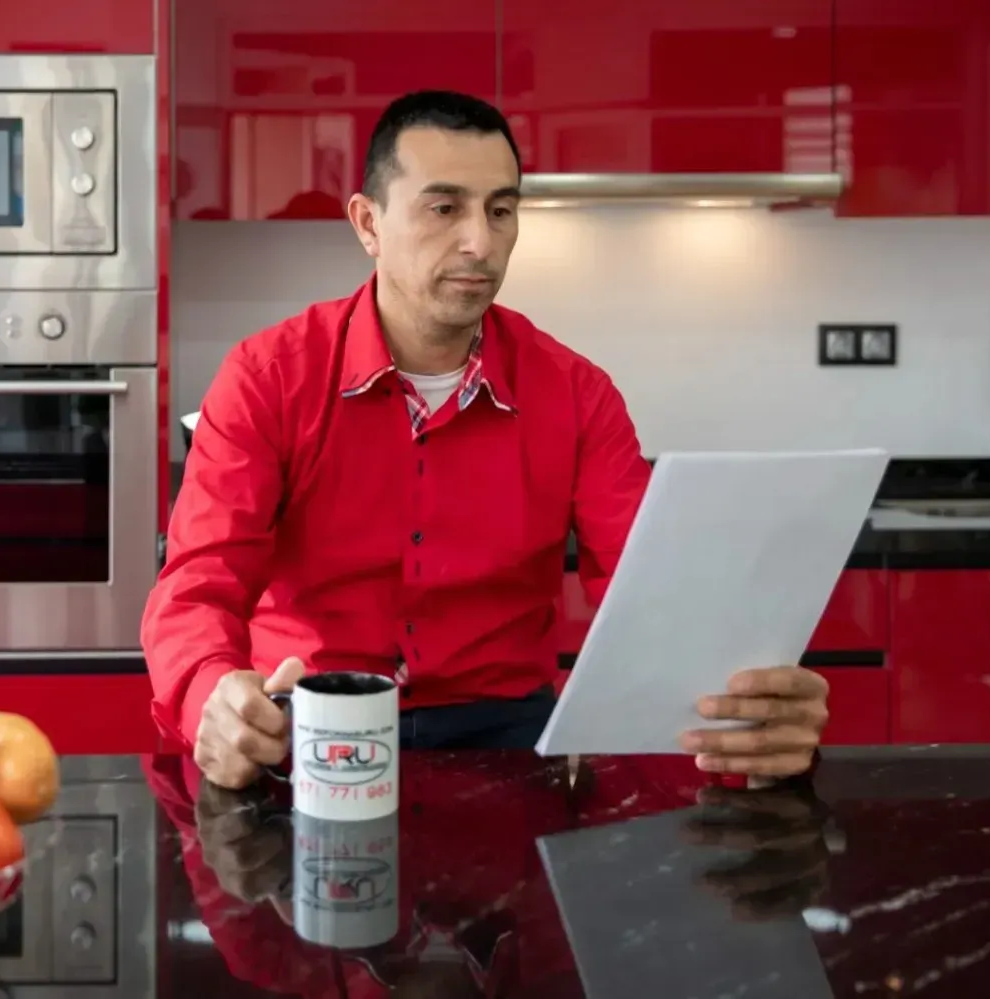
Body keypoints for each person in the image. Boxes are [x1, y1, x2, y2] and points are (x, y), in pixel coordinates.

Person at [143, 90, 830, 789]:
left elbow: (653, 596)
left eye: (500, 211)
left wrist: (752, 703)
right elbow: (196, 589)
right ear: (367, 222)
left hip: (509, 737)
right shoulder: (267, 378)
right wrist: (212, 700)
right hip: (310, 731)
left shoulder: (576, 393)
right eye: (445, 209)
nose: (480, 241)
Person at [144, 751, 833, 998]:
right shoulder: (565, 950)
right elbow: (650, 788)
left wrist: (221, 789)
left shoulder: (270, 951)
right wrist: (762, 766)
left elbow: (174, 775)